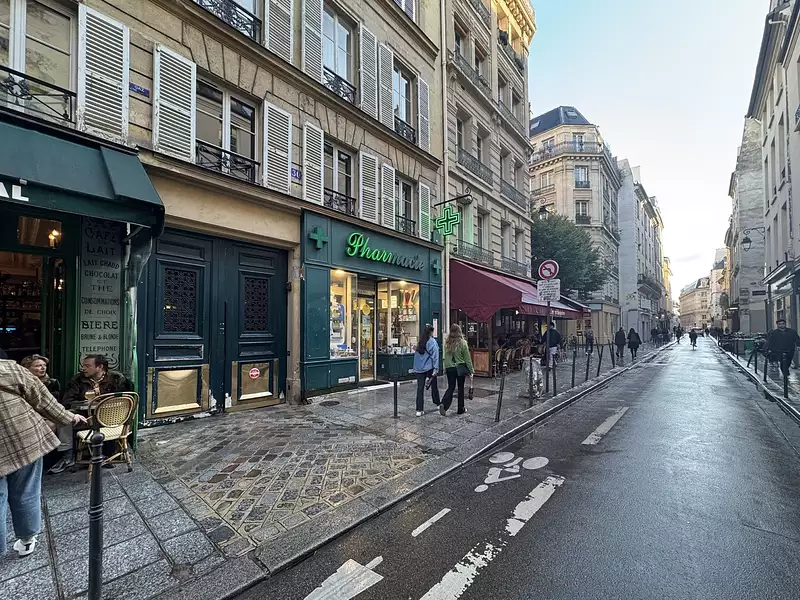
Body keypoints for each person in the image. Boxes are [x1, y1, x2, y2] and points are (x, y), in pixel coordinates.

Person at [0, 358, 87, 556]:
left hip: (20, 439)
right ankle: (27, 540)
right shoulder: (9, 368)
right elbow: (42, 399)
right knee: (26, 489)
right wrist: (69, 417)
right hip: (24, 438)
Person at [51, 354, 132, 474]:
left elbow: (123, 399)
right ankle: (67, 457)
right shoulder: (78, 380)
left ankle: (108, 453)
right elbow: (67, 401)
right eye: (83, 365)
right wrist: (84, 403)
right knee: (64, 419)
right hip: (84, 415)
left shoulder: (116, 378)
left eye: (88, 366)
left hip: (109, 415)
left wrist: (102, 399)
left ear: (100, 367)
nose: (84, 368)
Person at [440, 324, 474, 416]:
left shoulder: (447, 343)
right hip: (460, 367)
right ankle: (460, 408)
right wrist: (471, 370)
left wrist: (446, 366)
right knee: (460, 388)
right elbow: (467, 358)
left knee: (451, 387)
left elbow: (445, 357)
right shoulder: (463, 343)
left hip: (449, 368)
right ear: (459, 332)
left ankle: (444, 404)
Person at [413, 324, 440, 417]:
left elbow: (416, 357)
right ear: (431, 332)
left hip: (419, 368)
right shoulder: (432, 342)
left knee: (420, 389)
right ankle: (437, 403)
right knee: (434, 386)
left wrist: (416, 368)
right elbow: (435, 356)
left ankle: (419, 409)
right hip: (429, 367)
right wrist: (436, 369)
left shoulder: (420, 342)